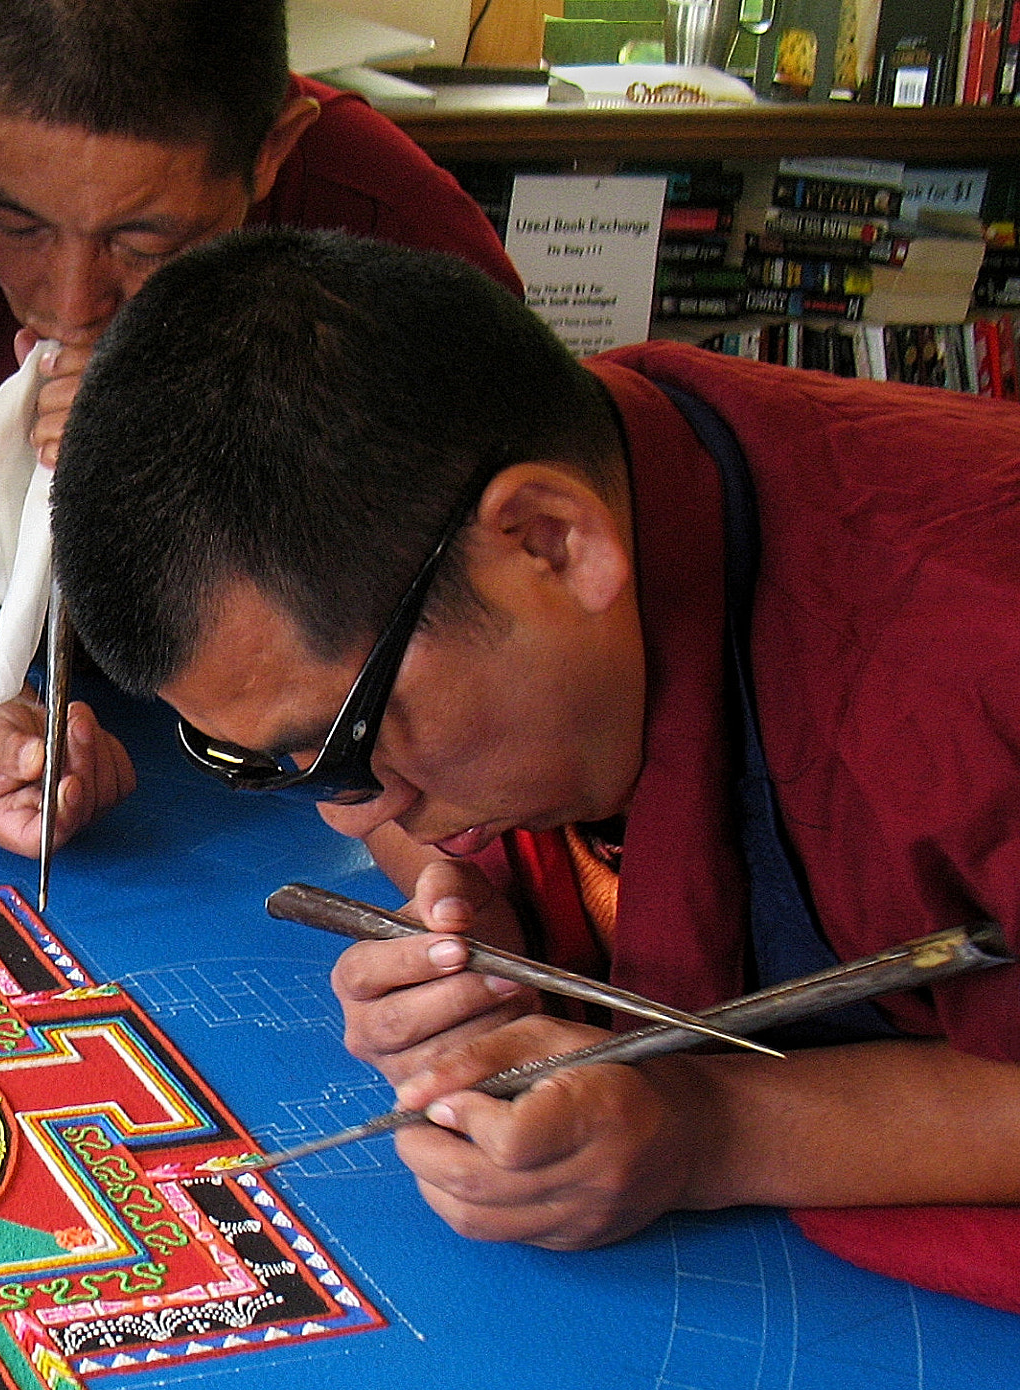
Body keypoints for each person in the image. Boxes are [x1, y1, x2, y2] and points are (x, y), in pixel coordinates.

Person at [52, 225, 1020, 1315]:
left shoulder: (963, 669)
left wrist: (710, 1132)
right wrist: (491, 930)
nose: (364, 815)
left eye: (352, 738)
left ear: (550, 542)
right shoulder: (596, 467)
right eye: (276, 764)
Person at [0, 0, 515, 859]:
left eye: (145, 238)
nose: (70, 301)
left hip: (307, 785)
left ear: (271, 151)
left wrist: (173, 448)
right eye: (14, 223)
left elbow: (474, 636)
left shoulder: (399, 237)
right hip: (20, 718)